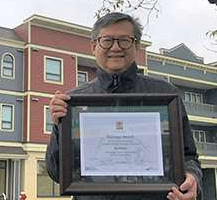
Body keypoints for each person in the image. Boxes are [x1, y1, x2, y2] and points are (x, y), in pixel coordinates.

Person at [46, 12, 202, 200]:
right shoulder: (73, 102)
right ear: (93, 46)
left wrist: (193, 177)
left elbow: (188, 156)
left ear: (136, 46)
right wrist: (58, 127)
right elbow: (57, 172)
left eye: (124, 40)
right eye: (107, 40)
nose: (116, 47)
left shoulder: (164, 94)